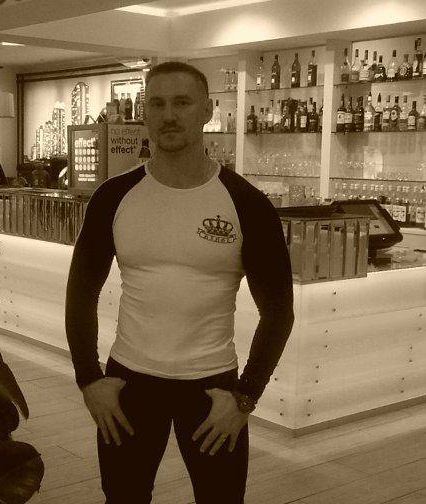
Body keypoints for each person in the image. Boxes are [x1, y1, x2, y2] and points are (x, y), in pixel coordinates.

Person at [65, 61, 294, 504]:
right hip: (128, 386)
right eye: (157, 104)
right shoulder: (113, 197)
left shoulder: (247, 204)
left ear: (207, 111)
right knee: (123, 499)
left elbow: (279, 313)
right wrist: (89, 379)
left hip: (213, 391)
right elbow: (81, 294)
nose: (169, 115)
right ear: (145, 113)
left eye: (182, 103)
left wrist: (245, 396)